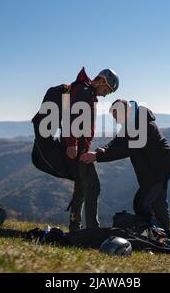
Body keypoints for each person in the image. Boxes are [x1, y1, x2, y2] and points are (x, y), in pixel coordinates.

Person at [31, 67, 119, 232]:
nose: (106, 94)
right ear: (101, 80)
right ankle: (90, 229)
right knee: (92, 185)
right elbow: (73, 115)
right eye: (106, 90)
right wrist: (72, 143)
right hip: (74, 146)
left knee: (83, 183)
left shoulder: (86, 91)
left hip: (77, 147)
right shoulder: (84, 90)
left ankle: (76, 226)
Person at [80, 99, 170, 233]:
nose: (116, 121)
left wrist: (97, 157)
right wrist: (102, 149)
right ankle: (162, 233)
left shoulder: (144, 124)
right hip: (153, 169)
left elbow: (127, 149)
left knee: (142, 203)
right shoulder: (131, 121)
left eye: (116, 117)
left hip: (159, 169)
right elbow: (117, 141)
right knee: (157, 202)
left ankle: (154, 232)